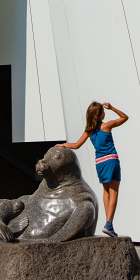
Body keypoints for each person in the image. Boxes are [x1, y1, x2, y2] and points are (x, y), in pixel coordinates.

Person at [56, 101, 128, 237]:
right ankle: (109, 224)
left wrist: (63, 145)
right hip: (111, 160)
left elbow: (76, 145)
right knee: (114, 192)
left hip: (99, 163)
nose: (104, 113)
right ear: (99, 114)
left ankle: (108, 223)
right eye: (103, 111)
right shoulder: (107, 126)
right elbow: (125, 117)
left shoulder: (89, 131)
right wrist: (112, 108)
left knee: (106, 191)